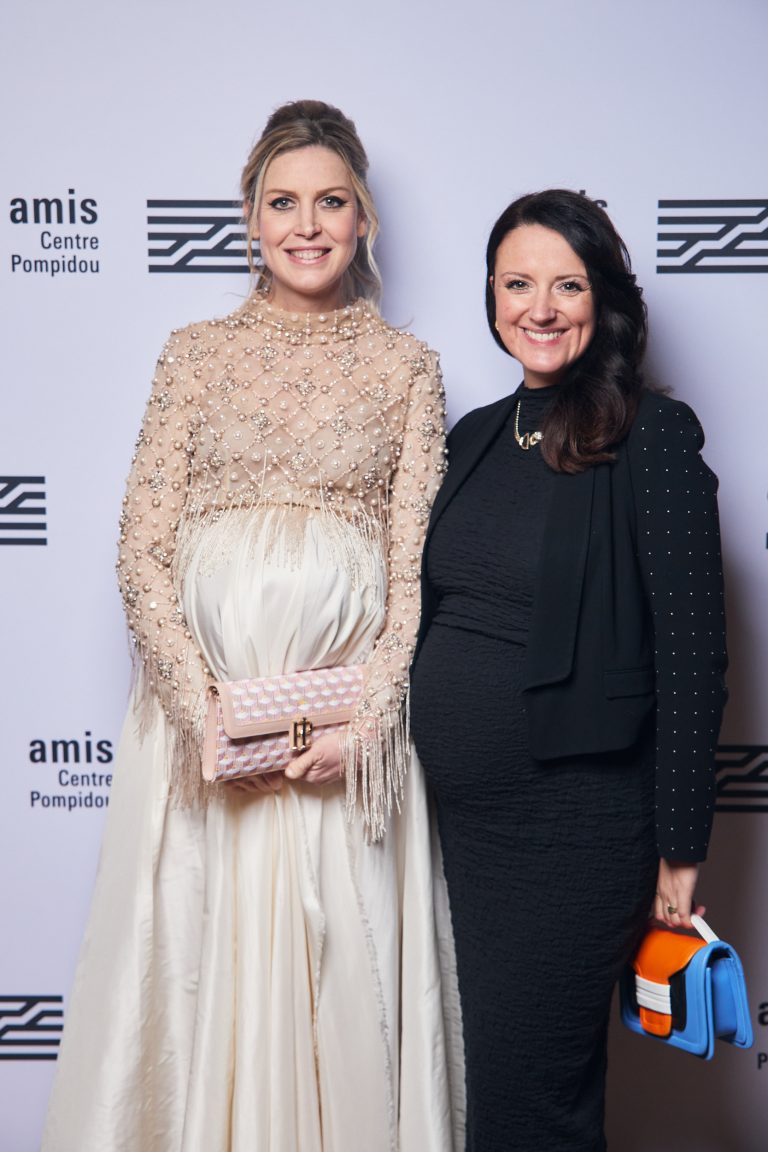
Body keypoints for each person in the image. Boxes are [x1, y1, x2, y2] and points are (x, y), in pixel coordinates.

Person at [42, 100, 458, 1152]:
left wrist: (362, 727)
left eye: (330, 202)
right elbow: (141, 551)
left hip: (347, 751)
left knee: (340, 981)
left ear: (363, 220)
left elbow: (413, 575)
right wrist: (206, 716)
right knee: (196, 970)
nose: (306, 225)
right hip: (202, 749)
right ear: (249, 217)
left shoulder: (408, 368)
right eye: (283, 203)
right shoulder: (192, 355)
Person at [410, 189, 727, 1152]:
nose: (539, 308)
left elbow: (693, 657)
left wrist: (680, 856)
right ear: (492, 298)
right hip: (454, 833)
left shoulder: (652, 440)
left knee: (528, 1105)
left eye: (566, 284)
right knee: (486, 1093)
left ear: (606, 300)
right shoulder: (469, 438)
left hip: (572, 837)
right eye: (517, 284)